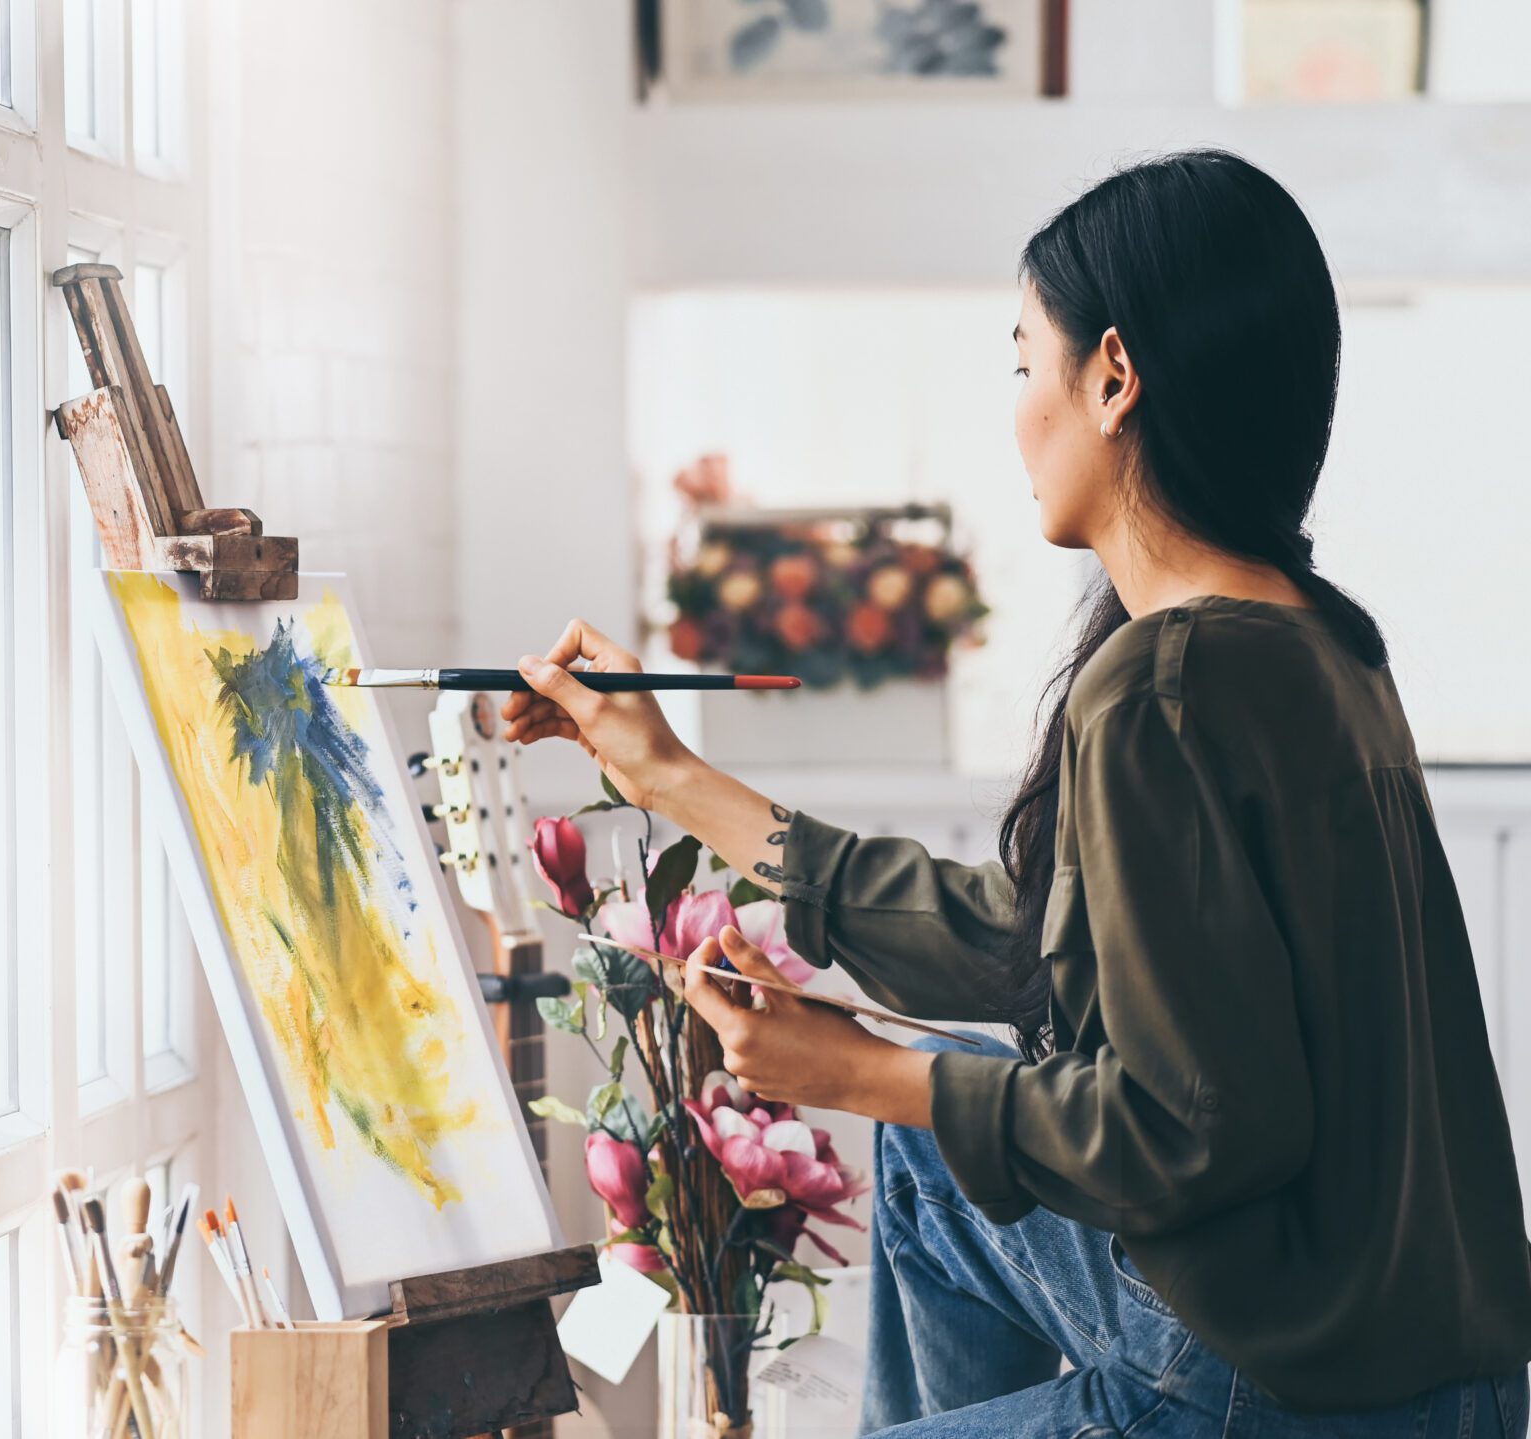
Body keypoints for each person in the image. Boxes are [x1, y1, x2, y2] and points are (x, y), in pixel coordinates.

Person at [502, 150, 1531, 1436]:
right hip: (1432, 1361)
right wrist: (669, 775)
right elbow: (1018, 937)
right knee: (938, 1163)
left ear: (1112, 375)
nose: (1015, 410)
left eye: (1020, 361)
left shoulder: (1164, 686)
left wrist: (867, 1070)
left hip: (1274, 1387)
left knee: (929, 1115)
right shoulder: (1311, 644)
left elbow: (1191, 1125)